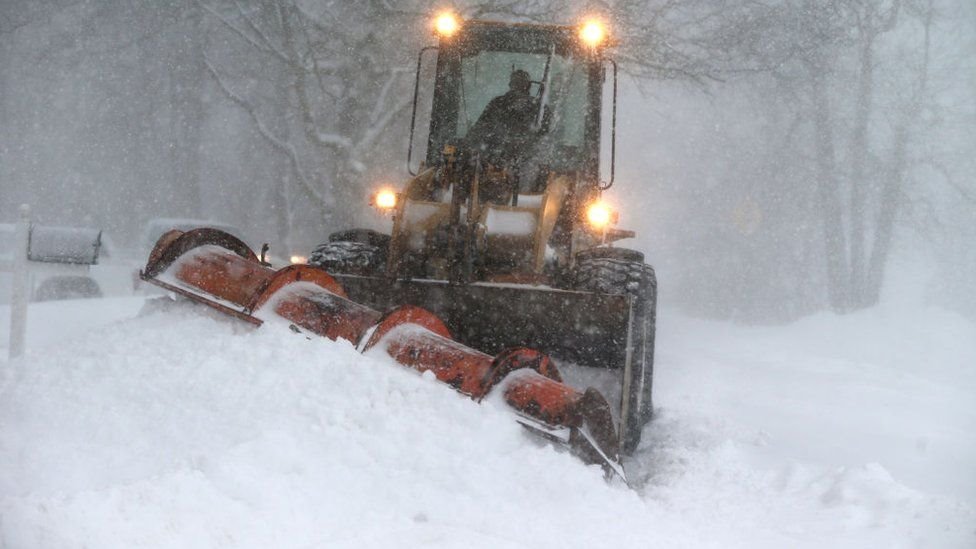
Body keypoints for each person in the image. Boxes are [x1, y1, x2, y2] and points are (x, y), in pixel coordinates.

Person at [465, 69, 543, 161]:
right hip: (500, 160)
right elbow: (479, 129)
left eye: (520, 82)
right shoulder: (538, 107)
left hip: (508, 160)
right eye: (516, 82)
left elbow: (479, 129)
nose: (518, 86)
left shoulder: (497, 103)